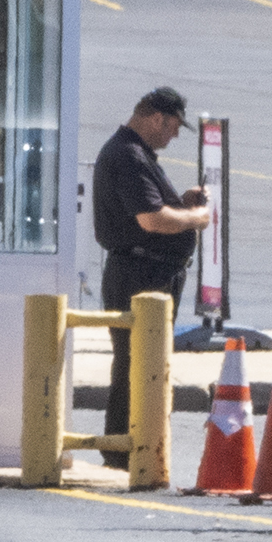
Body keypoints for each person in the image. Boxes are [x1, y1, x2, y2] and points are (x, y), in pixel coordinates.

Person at [92, 87, 210, 471]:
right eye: (173, 127)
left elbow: (157, 210)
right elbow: (152, 220)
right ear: (157, 117)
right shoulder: (127, 155)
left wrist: (182, 204)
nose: (174, 136)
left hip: (148, 271)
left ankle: (130, 446)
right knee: (135, 363)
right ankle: (125, 451)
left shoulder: (138, 155)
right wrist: (196, 218)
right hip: (138, 275)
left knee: (141, 363)